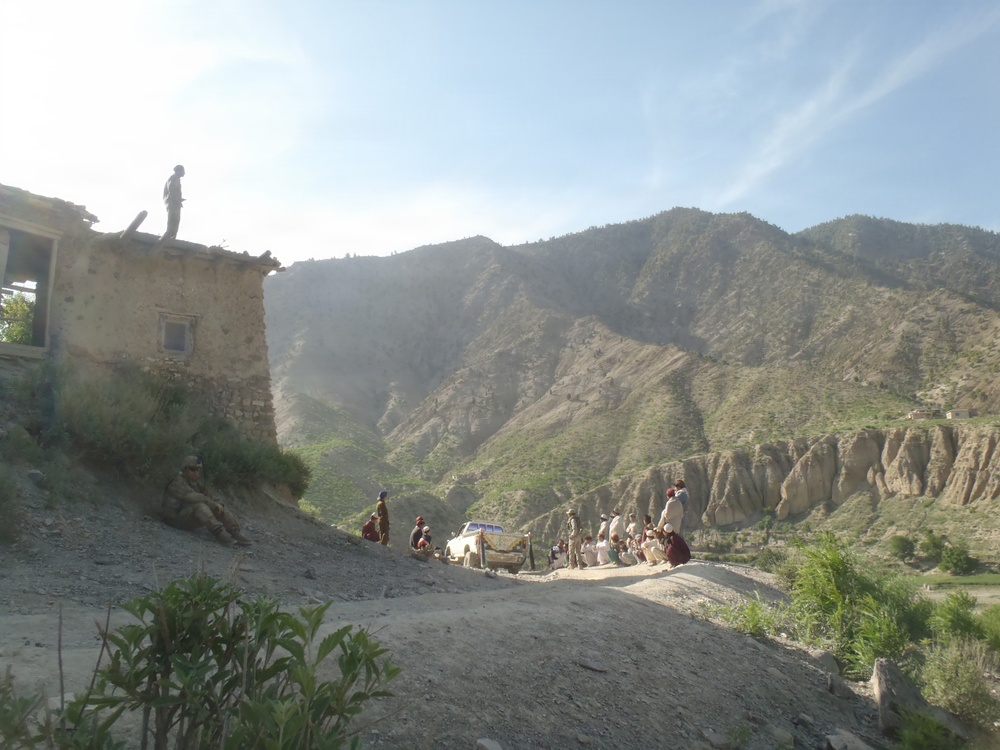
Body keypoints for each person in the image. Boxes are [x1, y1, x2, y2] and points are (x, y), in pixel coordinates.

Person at [161, 456, 251, 546]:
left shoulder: (196, 483)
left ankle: (234, 531)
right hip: (174, 520)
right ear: (185, 469)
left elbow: (212, 497)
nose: (196, 473)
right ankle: (219, 533)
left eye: (198, 470)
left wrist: (219, 505)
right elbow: (194, 497)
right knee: (200, 506)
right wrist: (213, 505)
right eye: (193, 469)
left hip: (187, 517)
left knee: (219, 507)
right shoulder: (177, 483)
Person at [162, 165, 185, 240]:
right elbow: (172, 190)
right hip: (173, 203)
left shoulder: (176, 179)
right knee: (173, 221)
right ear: (178, 171)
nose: (184, 173)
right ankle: (169, 238)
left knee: (175, 221)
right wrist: (178, 200)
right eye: (182, 171)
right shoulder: (173, 178)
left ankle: (172, 237)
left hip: (174, 202)